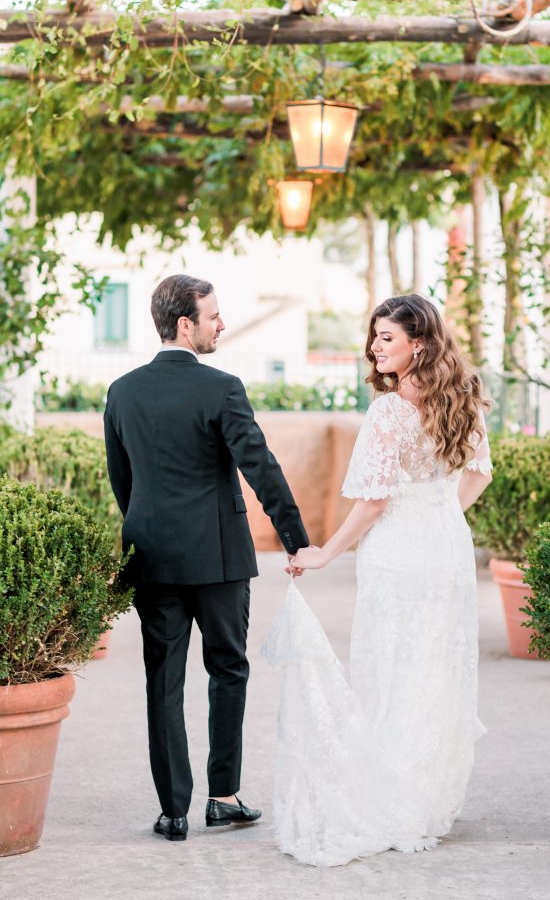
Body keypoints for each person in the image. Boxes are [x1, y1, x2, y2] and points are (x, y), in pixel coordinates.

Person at [263, 293, 493, 866]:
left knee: (394, 665)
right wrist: (439, 516)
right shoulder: (463, 395)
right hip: (445, 546)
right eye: (374, 337)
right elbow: (479, 476)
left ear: (419, 342)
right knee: (435, 666)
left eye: (386, 338)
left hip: (398, 552)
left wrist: (325, 554)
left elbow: (372, 503)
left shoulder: (390, 409)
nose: (374, 346)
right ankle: (428, 798)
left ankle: (397, 796)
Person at [104, 274, 309, 842]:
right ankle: (223, 797)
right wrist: (295, 538)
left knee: (163, 680)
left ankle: (173, 812)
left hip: (154, 558)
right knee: (228, 670)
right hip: (219, 559)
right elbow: (259, 465)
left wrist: (146, 527)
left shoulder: (121, 391)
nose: (223, 323)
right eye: (214, 315)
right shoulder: (222, 387)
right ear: (185, 325)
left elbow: (124, 481)